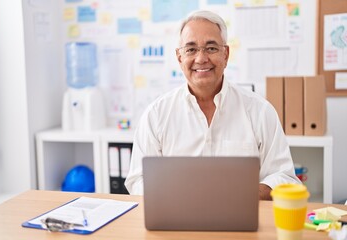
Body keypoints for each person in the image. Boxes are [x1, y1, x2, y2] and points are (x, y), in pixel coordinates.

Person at [125, 10, 301, 200]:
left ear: (225, 54)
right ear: (179, 57)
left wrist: (244, 194)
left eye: (211, 48)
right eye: (191, 49)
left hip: (241, 221)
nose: (201, 59)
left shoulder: (260, 111)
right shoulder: (156, 115)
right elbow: (137, 180)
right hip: (177, 222)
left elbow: (285, 177)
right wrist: (176, 196)